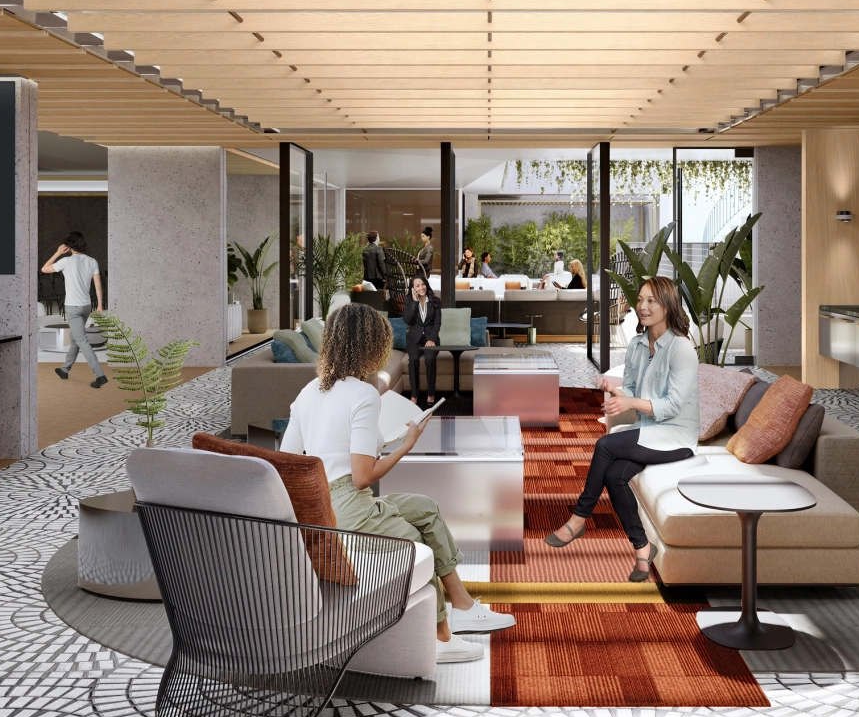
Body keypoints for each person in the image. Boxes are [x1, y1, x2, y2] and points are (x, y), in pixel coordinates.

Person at [280, 302, 516, 663]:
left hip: (322, 502)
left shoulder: (310, 391)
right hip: (349, 503)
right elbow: (362, 477)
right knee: (416, 541)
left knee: (424, 508)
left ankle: (464, 606)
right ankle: (439, 638)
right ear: (371, 345)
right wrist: (406, 444)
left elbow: (289, 461)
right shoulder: (361, 395)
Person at [545, 276, 699, 582]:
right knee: (615, 476)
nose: (643, 306)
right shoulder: (637, 344)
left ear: (667, 306)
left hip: (675, 436)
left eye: (651, 301)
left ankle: (578, 519)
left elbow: (671, 406)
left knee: (605, 446)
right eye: (640, 300)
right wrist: (613, 389)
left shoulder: (681, 349)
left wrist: (629, 402)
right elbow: (629, 388)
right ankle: (643, 551)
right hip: (649, 430)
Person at [42, 232, 107, 388]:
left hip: (72, 307)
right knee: (75, 339)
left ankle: (100, 375)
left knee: (81, 340)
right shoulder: (92, 261)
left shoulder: (65, 261)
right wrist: (99, 305)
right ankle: (65, 369)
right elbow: (98, 286)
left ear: (69, 246)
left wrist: (57, 252)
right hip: (86, 306)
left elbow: (44, 269)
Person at [402, 274, 442, 405]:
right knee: (413, 360)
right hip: (414, 339)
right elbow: (407, 320)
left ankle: (431, 393)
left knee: (430, 359)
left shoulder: (435, 300)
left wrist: (431, 339)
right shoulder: (409, 300)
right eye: (417, 285)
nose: (421, 287)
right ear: (413, 288)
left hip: (431, 338)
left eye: (423, 284)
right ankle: (414, 395)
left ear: (427, 284)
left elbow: (437, 323)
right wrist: (414, 302)